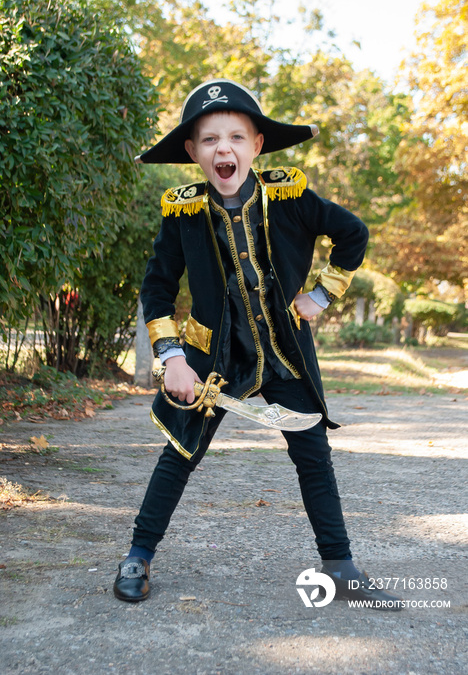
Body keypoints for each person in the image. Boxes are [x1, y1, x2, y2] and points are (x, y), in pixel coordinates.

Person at [113, 79, 401, 610]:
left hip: (285, 357)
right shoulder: (182, 214)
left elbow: (353, 234)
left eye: (237, 138)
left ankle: (339, 567)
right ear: (192, 152)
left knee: (313, 455)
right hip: (213, 363)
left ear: (257, 146)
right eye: (210, 140)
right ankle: (138, 552)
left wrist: (321, 293)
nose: (224, 149)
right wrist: (171, 358)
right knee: (180, 453)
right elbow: (156, 288)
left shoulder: (290, 199)